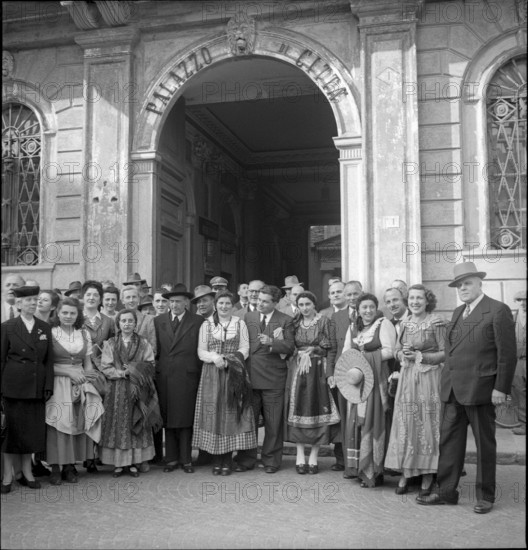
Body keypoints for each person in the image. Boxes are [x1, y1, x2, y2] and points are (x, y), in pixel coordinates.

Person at [416, 262, 516, 514]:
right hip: (453, 391)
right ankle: (447, 491)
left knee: (484, 445)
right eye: (459, 285)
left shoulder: (497, 310)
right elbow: (451, 352)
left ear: (480, 283)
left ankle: (485, 496)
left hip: (482, 390)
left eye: (467, 283)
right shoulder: (459, 312)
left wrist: (500, 388)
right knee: (449, 444)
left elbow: (507, 354)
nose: (462, 288)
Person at [384, 285, 446, 495]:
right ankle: (407, 471)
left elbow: (446, 353)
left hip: (429, 378)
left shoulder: (436, 322)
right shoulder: (406, 322)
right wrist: (403, 354)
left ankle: (428, 475)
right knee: (407, 422)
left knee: (427, 423)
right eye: (411, 298)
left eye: (419, 298)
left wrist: (421, 356)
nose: (415, 302)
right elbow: (397, 349)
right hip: (408, 378)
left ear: (427, 301)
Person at [193, 291, 256, 475]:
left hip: (233, 372)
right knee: (214, 414)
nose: (224, 306)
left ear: (232, 305)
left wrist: (231, 360)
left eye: (227, 303)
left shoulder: (240, 323)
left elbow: (245, 348)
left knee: (230, 414)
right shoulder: (207, 325)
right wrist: (214, 357)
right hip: (212, 375)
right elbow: (200, 351)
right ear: (215, 304)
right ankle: (216, 460)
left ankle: (227, 460)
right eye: (221, 303)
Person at [234, 285, 295, 473]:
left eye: (265, 301)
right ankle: (246, 459)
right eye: (259, 299)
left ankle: (271, 461)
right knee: (248, 421)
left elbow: (291, 347)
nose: (259, 303)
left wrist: (273, 343)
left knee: (273, 422)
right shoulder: (248, 317)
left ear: (275, 303)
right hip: (250, 378)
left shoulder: (285, 320)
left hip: (274, 379)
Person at [1, 286, 54, 493]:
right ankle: (7, 475)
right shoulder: (7, 327)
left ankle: (27, 472)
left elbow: (49, 361)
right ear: (19, 304)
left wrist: (48, 386)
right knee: (10, 434)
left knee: (29, 433)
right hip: (12, 388)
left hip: (35, 387)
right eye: (29, 300)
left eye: (36, 299)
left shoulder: (44, 327)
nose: (33, 303)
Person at [46, 297, 104, 485]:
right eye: (65, 313)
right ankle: (55, 467)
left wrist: (87, 379)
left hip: (79, 382)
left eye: (72, 313)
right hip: (57, 382)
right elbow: (44, 365)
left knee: (76, 423)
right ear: (58, 313)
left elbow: (87, 364)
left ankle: (70, 466)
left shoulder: (83, 334)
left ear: (78, 314)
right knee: (57, 423)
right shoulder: (51, 333)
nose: (68, 316)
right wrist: (68, 372)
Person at [341, 292, 396, 487]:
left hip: (376, 381)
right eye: (364, 307)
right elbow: (346, 352)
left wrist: (367, 358)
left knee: (373, 421)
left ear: (376, 307)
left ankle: (374, 472)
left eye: (371, 307)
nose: (368, 311)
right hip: (357, 382)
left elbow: (391, 350)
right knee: (357, 422)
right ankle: (358, 468)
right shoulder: (352, 327)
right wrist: (355, 362)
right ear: (358, 309)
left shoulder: (383, 324)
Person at [99, 309, 161, 478]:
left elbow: (150, 364)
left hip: (138, 389)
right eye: (123, 321)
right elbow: (105, 367)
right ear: (118, 324)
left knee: (136, 422)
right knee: (118, 424)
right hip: (117, 390)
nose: (127, 324)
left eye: (130, 321)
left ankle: (134, 462)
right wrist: (122, 373)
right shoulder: (110, 343)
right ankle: (119, 464)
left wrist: (134, 370)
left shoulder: (144, 343)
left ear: (135, 324)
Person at [285, 291, 339, 474]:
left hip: (317, 370)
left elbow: (332, 347)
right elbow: (288, 345)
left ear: (314, 304)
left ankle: (314, 457)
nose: (305, 308)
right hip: (298, 371)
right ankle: (300, 456)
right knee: (299, 408)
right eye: (301, 305)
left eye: (308, 304)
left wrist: (317, 353)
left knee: (317, 408)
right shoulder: (294, 322)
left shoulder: (324, 321)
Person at [154, 284, 203, 474]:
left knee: (185, 418)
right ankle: (171, 458)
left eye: (178, 302)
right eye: (171, 302)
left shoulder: (197, 321)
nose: (174, 305)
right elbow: (156, 349)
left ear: (186, 303)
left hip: (187, 375)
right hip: (165, 375)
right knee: (168, 418)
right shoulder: (159, 321)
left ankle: (186, 458)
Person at [330, 280, 363, 473]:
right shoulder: (337, 316)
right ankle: (342, 460)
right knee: (342, 417)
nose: (351, 298)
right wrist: (330, 373)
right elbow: (332, 349)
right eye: (348, 294)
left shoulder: (372, 312)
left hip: (364, 373)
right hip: (341, 374)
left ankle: (362, 460)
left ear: (361, 293)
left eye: (355, 294)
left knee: (360, 417)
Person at [121, 285, 156, 355]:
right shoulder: (117, 319)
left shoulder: (148, 320)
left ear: (138, 299)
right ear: (123, 301)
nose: (131, 300)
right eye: (128, 297)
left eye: (134, 297)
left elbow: (153, 347)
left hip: (142, 363)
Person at [511, 290, 526, 435]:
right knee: (519, 392)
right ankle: (523, 425)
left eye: (526, 300)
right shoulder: (512, 319)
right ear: (516, 302)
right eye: (520, 300)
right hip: (518, 363)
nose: (523, 303)